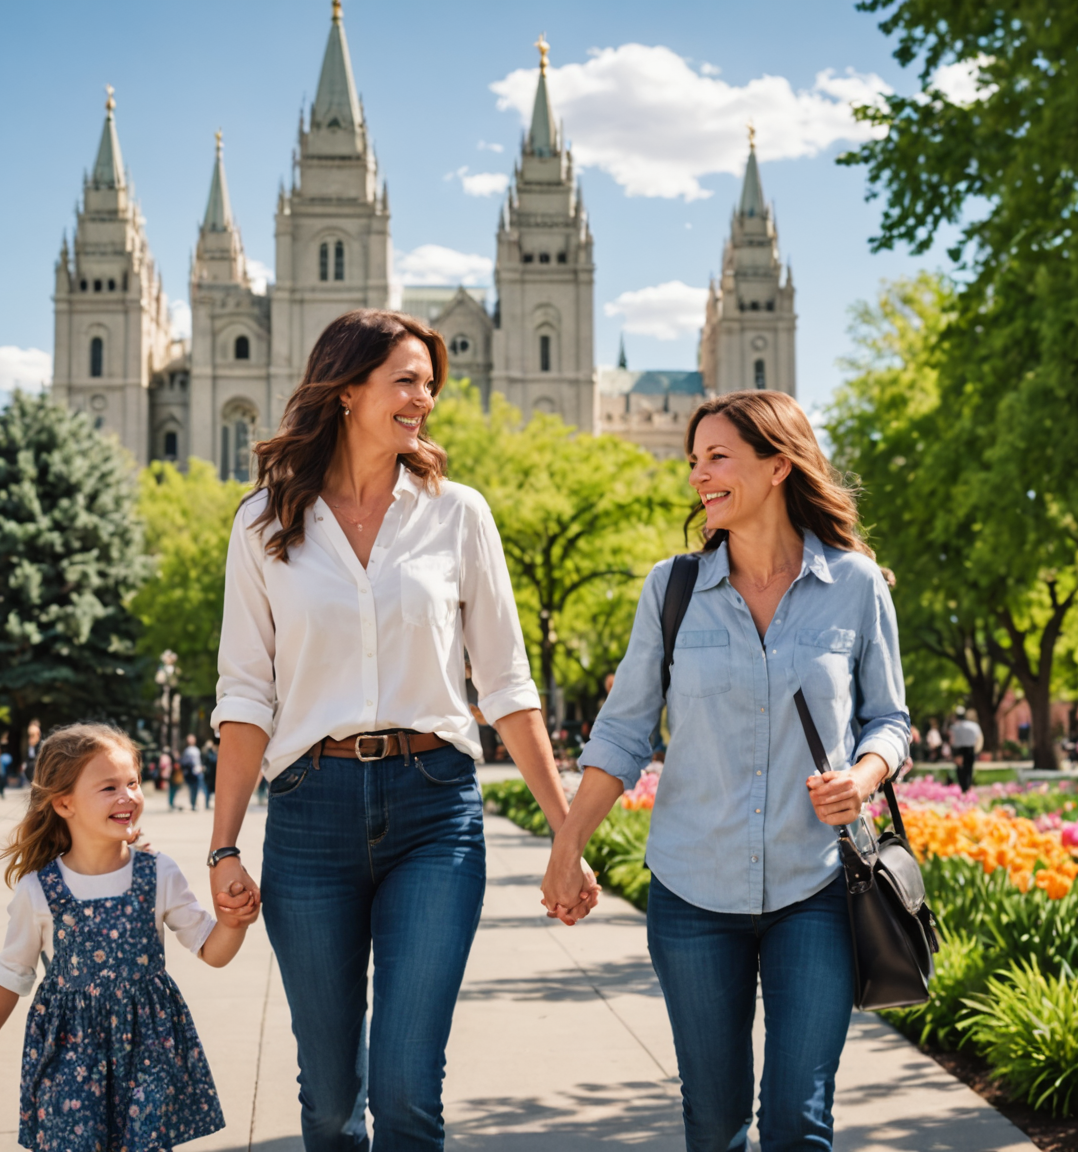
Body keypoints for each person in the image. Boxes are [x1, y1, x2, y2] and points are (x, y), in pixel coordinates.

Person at [209, 309, 584, 1152]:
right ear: (347, 391)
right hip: (311, 810)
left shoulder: (459, 515)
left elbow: (508, 684)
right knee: (329, 1096)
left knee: (409, 1088)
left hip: (434, 809)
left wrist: (566, 834)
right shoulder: (264, 522)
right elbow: (244, 694)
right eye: (406, 381)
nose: (426, 400)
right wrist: (223, 847)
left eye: (429, 383)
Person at [547, 389, 911, 1152]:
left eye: (718, 458)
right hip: (693, 892)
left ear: (779, 465)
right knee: (714, 1123)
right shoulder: (672, 589)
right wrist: (568, 844)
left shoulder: (855, 585)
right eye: (693, 461)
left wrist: (866, 775)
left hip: (815, 887)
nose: (697, 477)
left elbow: (890, 720)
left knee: (799, 1120)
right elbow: (622, 732)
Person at [0, 722, 240, 1150]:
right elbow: (11, 972)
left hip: (148, 1049)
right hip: (71, 1056)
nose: (127, 796)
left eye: (133, 782)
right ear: (64, 803)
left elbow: (211, 948)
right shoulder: (39, 889)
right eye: (109, 787)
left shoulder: (158, 873)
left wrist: (233, 923)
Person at [949, 707, 982, 793]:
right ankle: (967, 787)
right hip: (970, 749)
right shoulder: (974, 726)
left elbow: (952, 740)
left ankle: (963, 787)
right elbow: (978, 738)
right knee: (969, 768)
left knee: (960, 769)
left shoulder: (954, 727)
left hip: (958, 750)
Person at [181, 734, 206, 812]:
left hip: (198, 772)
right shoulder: (187, 751)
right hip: (191, 773)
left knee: (197, 789)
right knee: (192, 789)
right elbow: (185, 763)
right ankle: (193, 804)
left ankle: (195, 803)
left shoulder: (196, 749)